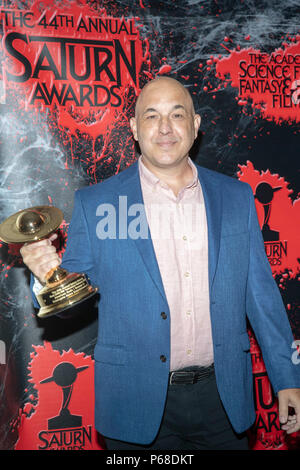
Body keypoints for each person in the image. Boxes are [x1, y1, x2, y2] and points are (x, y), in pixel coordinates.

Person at [20, 77, 300, 450]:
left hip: (224, 399)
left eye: (177, 114)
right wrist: (45, 276)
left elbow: (261, 297)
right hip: (133, 400)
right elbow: (72, 303)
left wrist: (286, 377)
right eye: (152, 116)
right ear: (135, 129)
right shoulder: (100, 204)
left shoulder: (235, 197)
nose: (165, 128)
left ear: (195, 126)